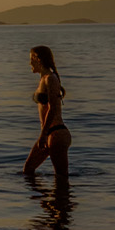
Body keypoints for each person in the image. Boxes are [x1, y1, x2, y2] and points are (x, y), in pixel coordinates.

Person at [21, 45, 71, 178]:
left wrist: (43, 135)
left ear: (38, 59)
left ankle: (58, 199)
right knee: (28, 170)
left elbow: (53, 108)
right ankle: (45, 198)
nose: (29, 63)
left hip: (56, 134)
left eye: (31, 59)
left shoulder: (50, 78)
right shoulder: (43, 79)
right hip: (48, 133)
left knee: (61, 178)